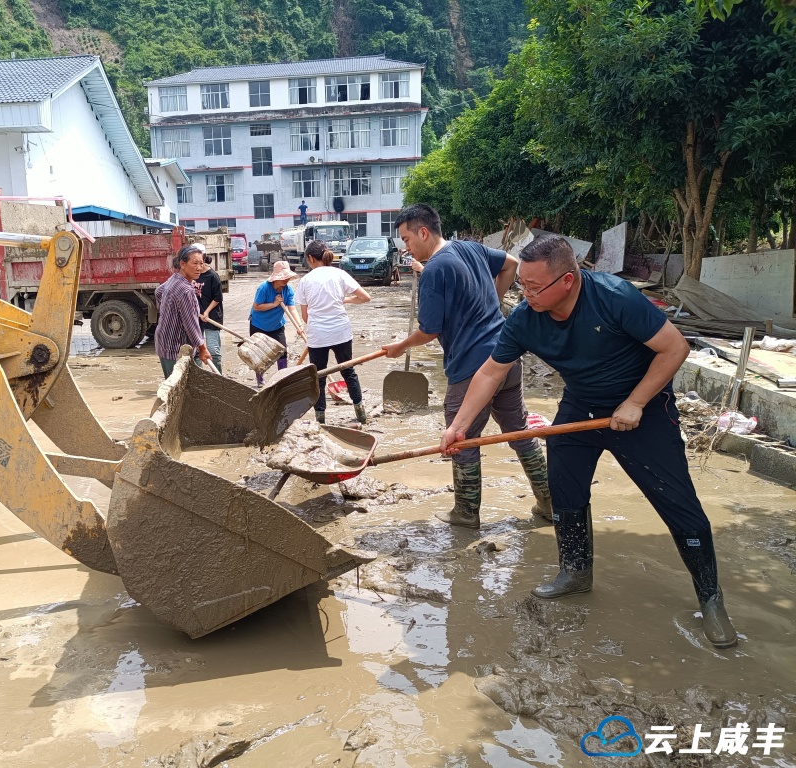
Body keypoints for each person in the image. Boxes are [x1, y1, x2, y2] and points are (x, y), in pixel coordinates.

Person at [442, 233, 737, 649]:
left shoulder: (615, 298)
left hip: (643, 411)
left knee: (677, 501)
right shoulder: (527, 317)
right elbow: (491, 372)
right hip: (581, 407)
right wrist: (460, 425)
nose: (524, 294)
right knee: (564, 486)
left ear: (568, 280)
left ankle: (710, 598)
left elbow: (675, 348)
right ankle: (576, 571)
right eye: (521, 284)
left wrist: (635, 403)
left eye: (533, 286)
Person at [382, 204, 552, 529]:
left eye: (406, 238)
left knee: (461, 437)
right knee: (519, 432)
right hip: (505, 357)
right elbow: (511, 264)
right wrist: (491, 307)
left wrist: (400, 347)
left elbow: (429, 330)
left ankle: (466, 512)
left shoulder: (435, 271)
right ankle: (549, 503)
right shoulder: (469, 249)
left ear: (423, 232)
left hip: (472, 369)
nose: (405, 246)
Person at [295, 240, 371, 424]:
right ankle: (361, 415)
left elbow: (305, 316)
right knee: (348, 372)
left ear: (311, 258)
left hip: (318, 335)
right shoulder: (340, 274)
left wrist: (319, 321)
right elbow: (365, 297)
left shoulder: (305, 281)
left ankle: (320, 420)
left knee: (318, 376)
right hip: (341, 332)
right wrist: (344, 301)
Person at [154, 244, 213, 378]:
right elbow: (191, 325)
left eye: (201, 263)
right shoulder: (186, 290)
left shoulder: (174, 279)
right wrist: (203, 349)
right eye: (195, 263)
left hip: (163, 342)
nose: (199, 268)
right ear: (183, 264)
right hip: (176, 349)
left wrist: (168, 310)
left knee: (173, 388)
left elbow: (158, 292)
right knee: (179, 393)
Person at [250, 260, 305, 387]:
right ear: (275, 278)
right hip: (259, 324)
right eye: (283, 277)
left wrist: (299, 325)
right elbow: (257, 307)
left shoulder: (288, 290)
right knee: (258, 354)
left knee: (282, 351)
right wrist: (274, 304)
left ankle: (282, 379)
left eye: (287, 277)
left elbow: (292, 308)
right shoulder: (264, 288)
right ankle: (260, 379)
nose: (286, 280)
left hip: (277, 325)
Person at [196, 249, 224, 373]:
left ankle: (219, 380)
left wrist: (206, 312)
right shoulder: (192, 276)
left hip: (211, 317)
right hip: (196, 318)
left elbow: (218, 298)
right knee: (196, 351)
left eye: (199, 262)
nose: (197, 266)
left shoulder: (212, 276)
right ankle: (199, 379)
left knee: (213, 351)